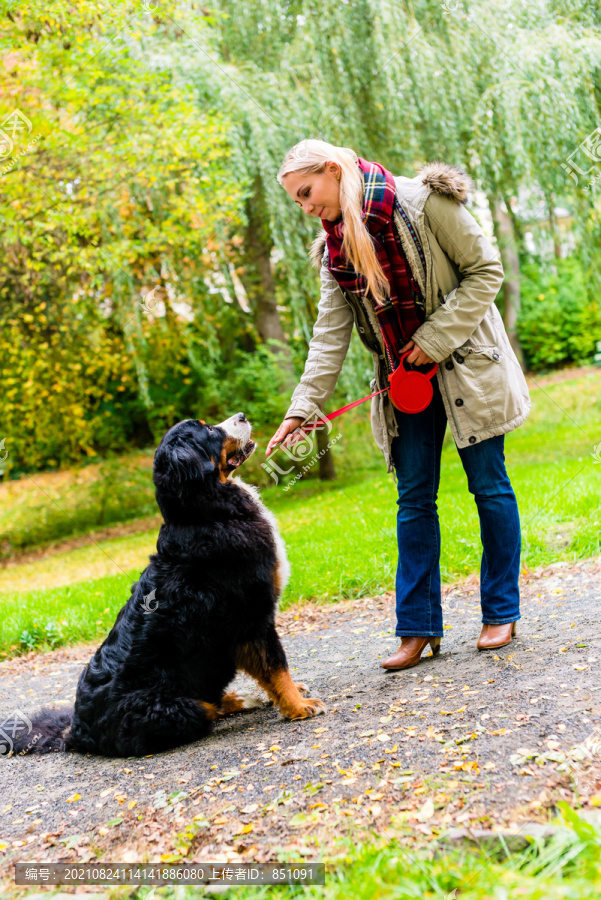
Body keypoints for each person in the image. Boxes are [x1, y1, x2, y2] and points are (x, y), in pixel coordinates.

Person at [266, 139, 531, 670]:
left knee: (489, 486)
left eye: (306, 193)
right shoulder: (334, 249)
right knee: (414, 500)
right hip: (403, 384)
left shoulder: (426, 201)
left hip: (466, 367)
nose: (306, 207)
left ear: (334, 170)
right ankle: (417, 629)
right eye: (296, 201)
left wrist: (432, 342)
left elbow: (486, 271)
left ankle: (500, 611)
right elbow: (328, 336)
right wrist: (302, 410)